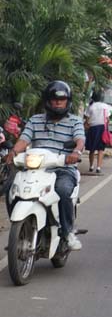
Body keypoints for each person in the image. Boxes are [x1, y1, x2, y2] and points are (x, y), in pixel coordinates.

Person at [5, 81, 85, 251]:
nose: (57, 102)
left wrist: (75, 153)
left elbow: (80, 140)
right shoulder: (35, 120)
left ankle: (68, 232)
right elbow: (24, 140)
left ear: (67, 101)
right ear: (47, 101)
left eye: (61, 99)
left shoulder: (75, 122)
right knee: (12, 189)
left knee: (63, 190)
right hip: (36, 168)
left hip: (63, 167)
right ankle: (18, 229)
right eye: (53, 99)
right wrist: (13, 152)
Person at [83, 90, 112, 174]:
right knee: (100, 149)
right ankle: (98, 167)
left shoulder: (91, 106)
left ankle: (91, 166)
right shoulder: (105, 106)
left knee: (91, 149)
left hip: (92, 129)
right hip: (102, 129)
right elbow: (108, 119)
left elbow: (87, 119)